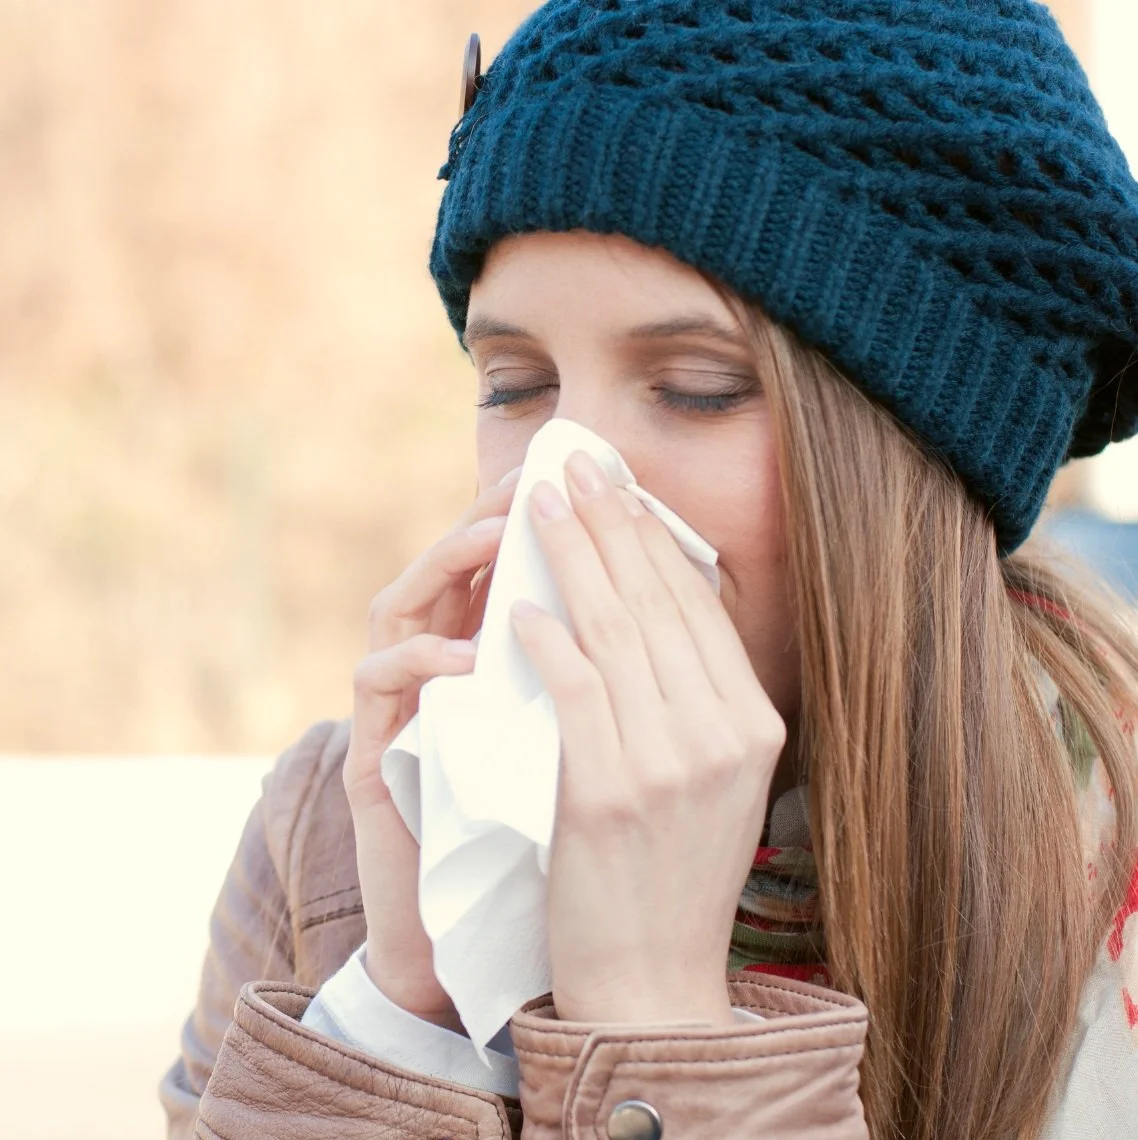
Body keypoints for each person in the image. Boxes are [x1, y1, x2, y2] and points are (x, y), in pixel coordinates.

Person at [161, 2, 1138, 1137]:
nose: (564, 476)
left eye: (697, 387)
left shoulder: (1097, 866)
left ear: (913, 457)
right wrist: (409, 1006)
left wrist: (658, 1019)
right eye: (514, 385)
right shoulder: (340, 828)